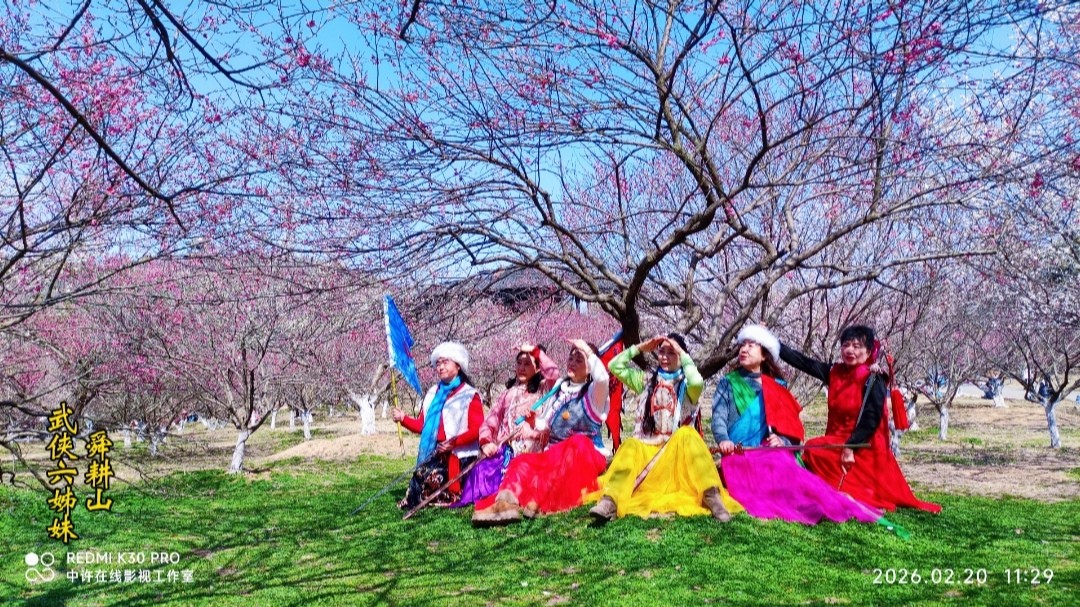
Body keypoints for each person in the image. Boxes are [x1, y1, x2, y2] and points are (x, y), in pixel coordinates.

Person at [712, 325, 885, 526]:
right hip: (739, 451)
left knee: (786, 471)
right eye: (743, 345)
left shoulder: (777, 386)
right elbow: (719, 418)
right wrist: (723, 440)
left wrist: (782, 440)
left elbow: (789, 425)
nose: (744, 349)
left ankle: (829, 502)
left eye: (752, 345)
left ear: (764, 355)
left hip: (768, 451)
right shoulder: (727, 383)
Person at [780, 326, 941, 513]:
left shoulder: (873, 378)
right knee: (812, 450)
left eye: (857, 346)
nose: (850, 350)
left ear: (869, 351)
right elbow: (804, 363)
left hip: (863, 445)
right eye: (846, 345)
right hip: (837, 440)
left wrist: (850, 447)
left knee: (814, 449)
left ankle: (848, 494)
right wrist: (773, 344)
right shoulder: (835, 372)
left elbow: (871, 418)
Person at [587, 333, 738, 523]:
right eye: (662, 352)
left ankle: (712, 496)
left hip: (677, 458)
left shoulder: (689, 385)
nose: (665, 357)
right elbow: (614, 366)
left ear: (681, 356)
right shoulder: (646, 380)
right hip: (649, 454)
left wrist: (682, 352)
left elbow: (697, 381)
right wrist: (640, 348)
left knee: (687, 434)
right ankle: (610, 501)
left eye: (671, 353)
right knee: (631, 445)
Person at [472, 339, 610, 525]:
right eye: (571, 358)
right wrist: (531, 423)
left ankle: (542, 501)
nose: (572, 363)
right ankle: (505, 504)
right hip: (553, 455)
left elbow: (602, 378)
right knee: (522, 461)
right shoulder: (559, 388)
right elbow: (545, 424)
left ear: (590, 367)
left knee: (577, 442)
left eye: (579, 360)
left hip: (584, 456)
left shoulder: (595, 393)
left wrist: (585, 349)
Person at [450, 343, 559, 507]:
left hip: (532, 449)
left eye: (527, 364)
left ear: (538, 368)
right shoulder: (507, 394)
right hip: (506, 448)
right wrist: (486, 442)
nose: (521, 368)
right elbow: (490, 420)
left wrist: (535, 351)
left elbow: (553, 373)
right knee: (482, 469)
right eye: (519, 363)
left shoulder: (544, 389)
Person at [393, 342, 483, 510]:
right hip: (437, 452)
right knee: (420, 474)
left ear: (458, 366)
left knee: (433, 477)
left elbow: (478, 429)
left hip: (459, 455)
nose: (441, 367)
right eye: (438, 363)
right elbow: (422, 426)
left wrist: (453, 442)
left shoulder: (469, 395)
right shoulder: (432, 394)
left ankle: (449, 496)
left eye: (445, 362)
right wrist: (403, 418)